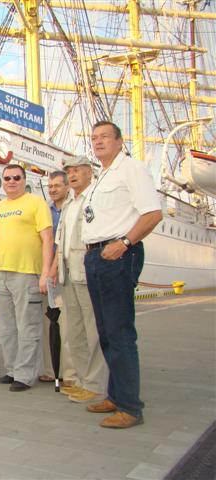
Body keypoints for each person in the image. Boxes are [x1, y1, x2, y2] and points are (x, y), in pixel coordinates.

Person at [81, 121, 162, 428]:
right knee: (106, 332)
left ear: (119, 141)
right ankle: (116, 396)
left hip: (117, 255)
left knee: (120, 332)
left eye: (104, 136)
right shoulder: (102, 176)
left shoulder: (131, 169)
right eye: (94, 138)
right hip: (97, 255)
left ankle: (130, 407)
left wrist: (125, 243)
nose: (98, 142)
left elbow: (153, 213)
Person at [50, 156, 109, 404]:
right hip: (68, 274)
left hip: (86, 273)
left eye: (77, 170)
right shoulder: (69, 204)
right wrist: (54, 267)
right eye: (70, 171)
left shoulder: (95, 198)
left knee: (92, 330)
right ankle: (83, 380)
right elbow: (60, 241)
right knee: (74, 331)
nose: (72, 175)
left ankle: (96, 384)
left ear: (89, 173)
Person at [0, 164, 53, 392]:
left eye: (16, 177)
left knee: (28, 325)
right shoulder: (0, 206)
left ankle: (26, 374)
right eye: (7, 178)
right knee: (6, 326)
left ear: (24, 180)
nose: (11, 181)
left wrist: (45, 273)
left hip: (26, 272)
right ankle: (12, 369)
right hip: (1, 272)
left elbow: (47, 239)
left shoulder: (36, 203)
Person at [39, 171, 75, 383]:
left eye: (57, 186)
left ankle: (69, 372)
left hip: (66, 270)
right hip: (47, 272)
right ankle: (51, 369)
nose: (52, 189)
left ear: (67, 187)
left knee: (68, 323)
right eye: (50, 186)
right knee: (48, 322)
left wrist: (54, 267)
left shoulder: (73, 208)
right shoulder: (45, 210)